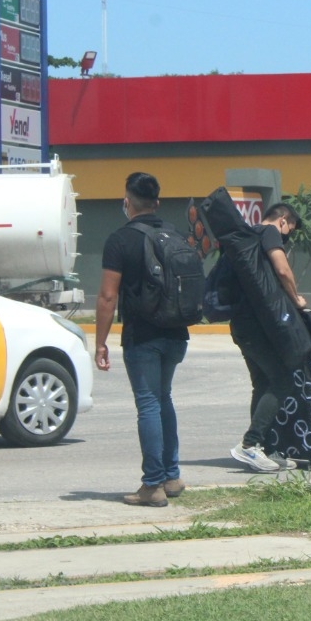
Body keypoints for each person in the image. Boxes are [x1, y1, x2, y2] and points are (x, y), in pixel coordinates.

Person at [95, 172, 189, 507]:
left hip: (143, 335)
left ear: (127, 201)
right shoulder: (174, 234)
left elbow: (108, 297)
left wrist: (100, 342)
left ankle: (152, 485)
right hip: (177, 333)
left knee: (149, 403)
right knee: (164, 399)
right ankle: (171, 476)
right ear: (157, 203)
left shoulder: (120, 240)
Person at [228, 202, 307, 473]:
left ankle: (263, 449)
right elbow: (283, 269)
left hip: (241, 324)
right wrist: (296, 298)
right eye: (290, 230)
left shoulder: (249, 236)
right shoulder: (270, 232)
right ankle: (250, 445)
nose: (287, 236)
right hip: (255, 326)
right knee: (282, 380)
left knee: (262, 383)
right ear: (283, 220)